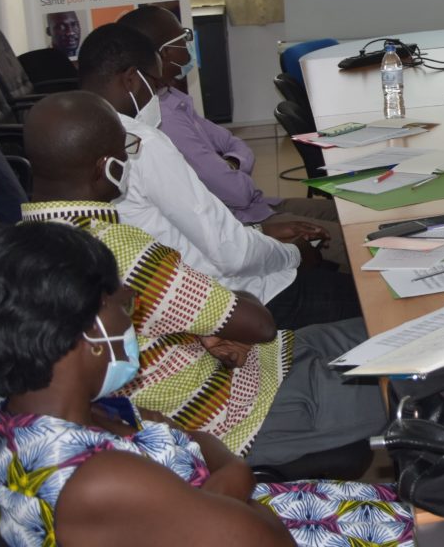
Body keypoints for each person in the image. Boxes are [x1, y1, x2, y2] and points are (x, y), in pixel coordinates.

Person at [0, 222, 413, 547]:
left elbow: (198, 444)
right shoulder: (100, 479)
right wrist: (232, 478)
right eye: (121, 306)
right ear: (88, 334)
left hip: (258, 508)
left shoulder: (20, 406)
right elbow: (265, 537)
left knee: (427, 502)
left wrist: (222, 487)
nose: (131, 314)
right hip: (281, 527)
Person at [19, 91, 385, 468]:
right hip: (241, 416)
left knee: (393, 333)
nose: (129, 157)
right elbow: (257, 323)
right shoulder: (116, 246)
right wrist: (218, 317)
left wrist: (202, 325)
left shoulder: (19, 246)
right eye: (125, 149)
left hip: (248, 363)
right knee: (418, 369)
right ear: (105, 167)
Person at [77, 23, 361, 329]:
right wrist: (295, 254)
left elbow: (180, 228)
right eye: (155, 83)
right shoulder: (144, 143)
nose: (159, 95)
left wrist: (258, 231)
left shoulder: (74, 134)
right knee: (370, 299)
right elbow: (232, 255)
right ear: (131, 80)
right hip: (239, 300)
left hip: (187, 296)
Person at [117, 6, 343, 248]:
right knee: (354, 237)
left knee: (349, 211)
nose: (188, 43)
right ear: (165, 53)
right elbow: (238, 194)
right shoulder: (165, 119)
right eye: (183, 38)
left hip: (259, 206)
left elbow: (233, 143)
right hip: (245, 225)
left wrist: (232, 164)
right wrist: (232, 171)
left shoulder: (171, 98)